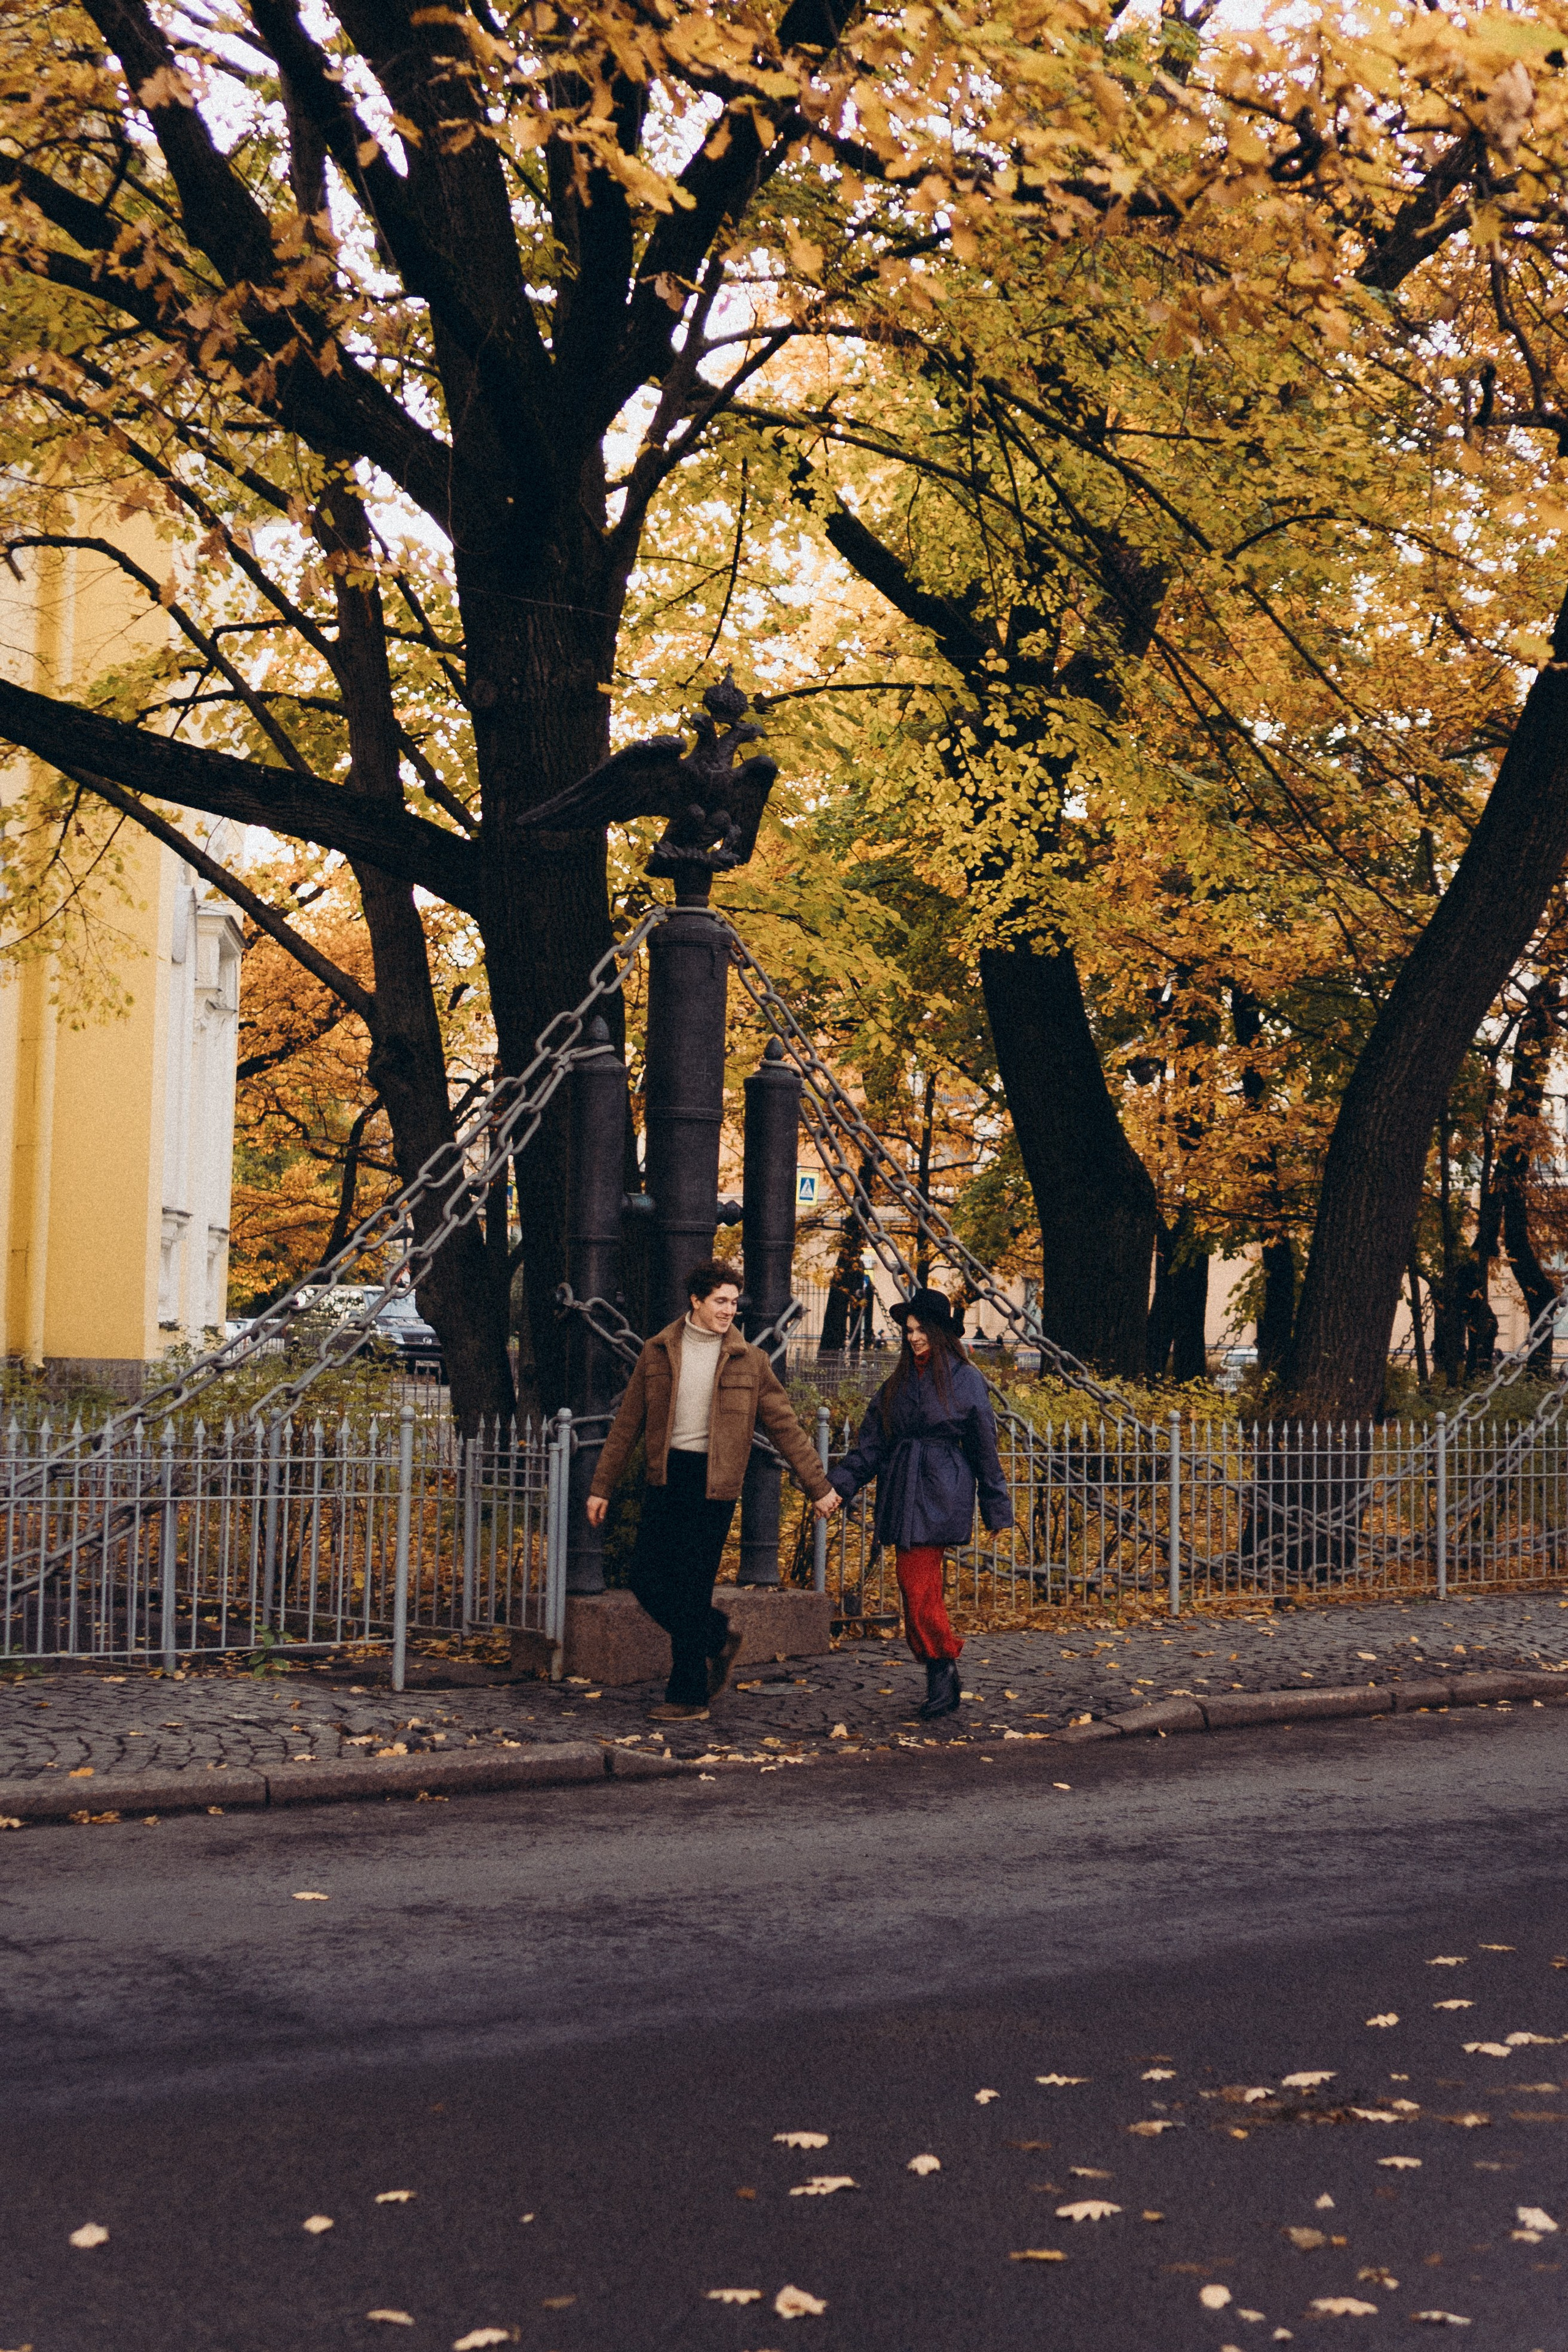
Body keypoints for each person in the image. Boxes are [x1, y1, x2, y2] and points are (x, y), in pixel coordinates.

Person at [587, 1261, 840, 1723]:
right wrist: (601, 1487)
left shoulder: (750, 1360)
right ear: (696, 1301)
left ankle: (689, 1695)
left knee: (692, 1585)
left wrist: (818, 1486)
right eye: (720, 1301)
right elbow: (626, 1426)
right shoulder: (658, 1351)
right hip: (667, 1477)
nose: (729, 1310)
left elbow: (784, 1426)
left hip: (716, 1484)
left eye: (734, 1302)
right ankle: (715, 1636)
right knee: (645, 1578)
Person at [827, 1287, 1013, 1721]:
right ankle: (939, 1668)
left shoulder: (966, 1379)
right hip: (903, 1489)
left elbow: (984, 1447)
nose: (913, 1337)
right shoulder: (898, 1383)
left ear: (940, 1331)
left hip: (942, 1488)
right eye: (908, 1330)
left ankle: (942, 1665)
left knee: (917, 1585)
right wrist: (838, 1487)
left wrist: (996, 1507)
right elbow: (870, 1446)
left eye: (921, 1329)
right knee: (914, 1586)